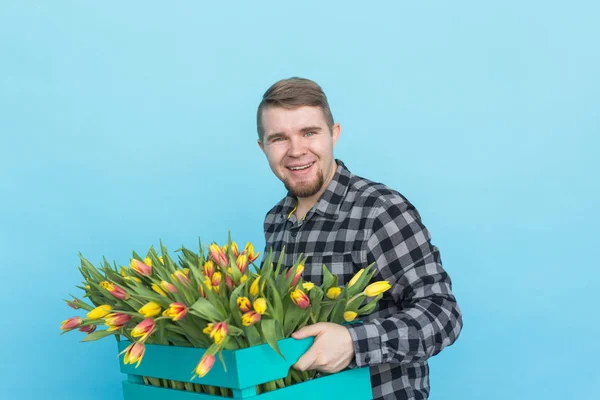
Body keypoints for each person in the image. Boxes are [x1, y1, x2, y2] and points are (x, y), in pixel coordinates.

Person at [256, 77, 463, 400]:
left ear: (333, 134)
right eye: (279, 138)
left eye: (309, 132)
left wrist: (354, 342)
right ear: (263, 147)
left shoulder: (380, 210)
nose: (296, 150)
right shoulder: (276, 221)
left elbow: (442, 314)